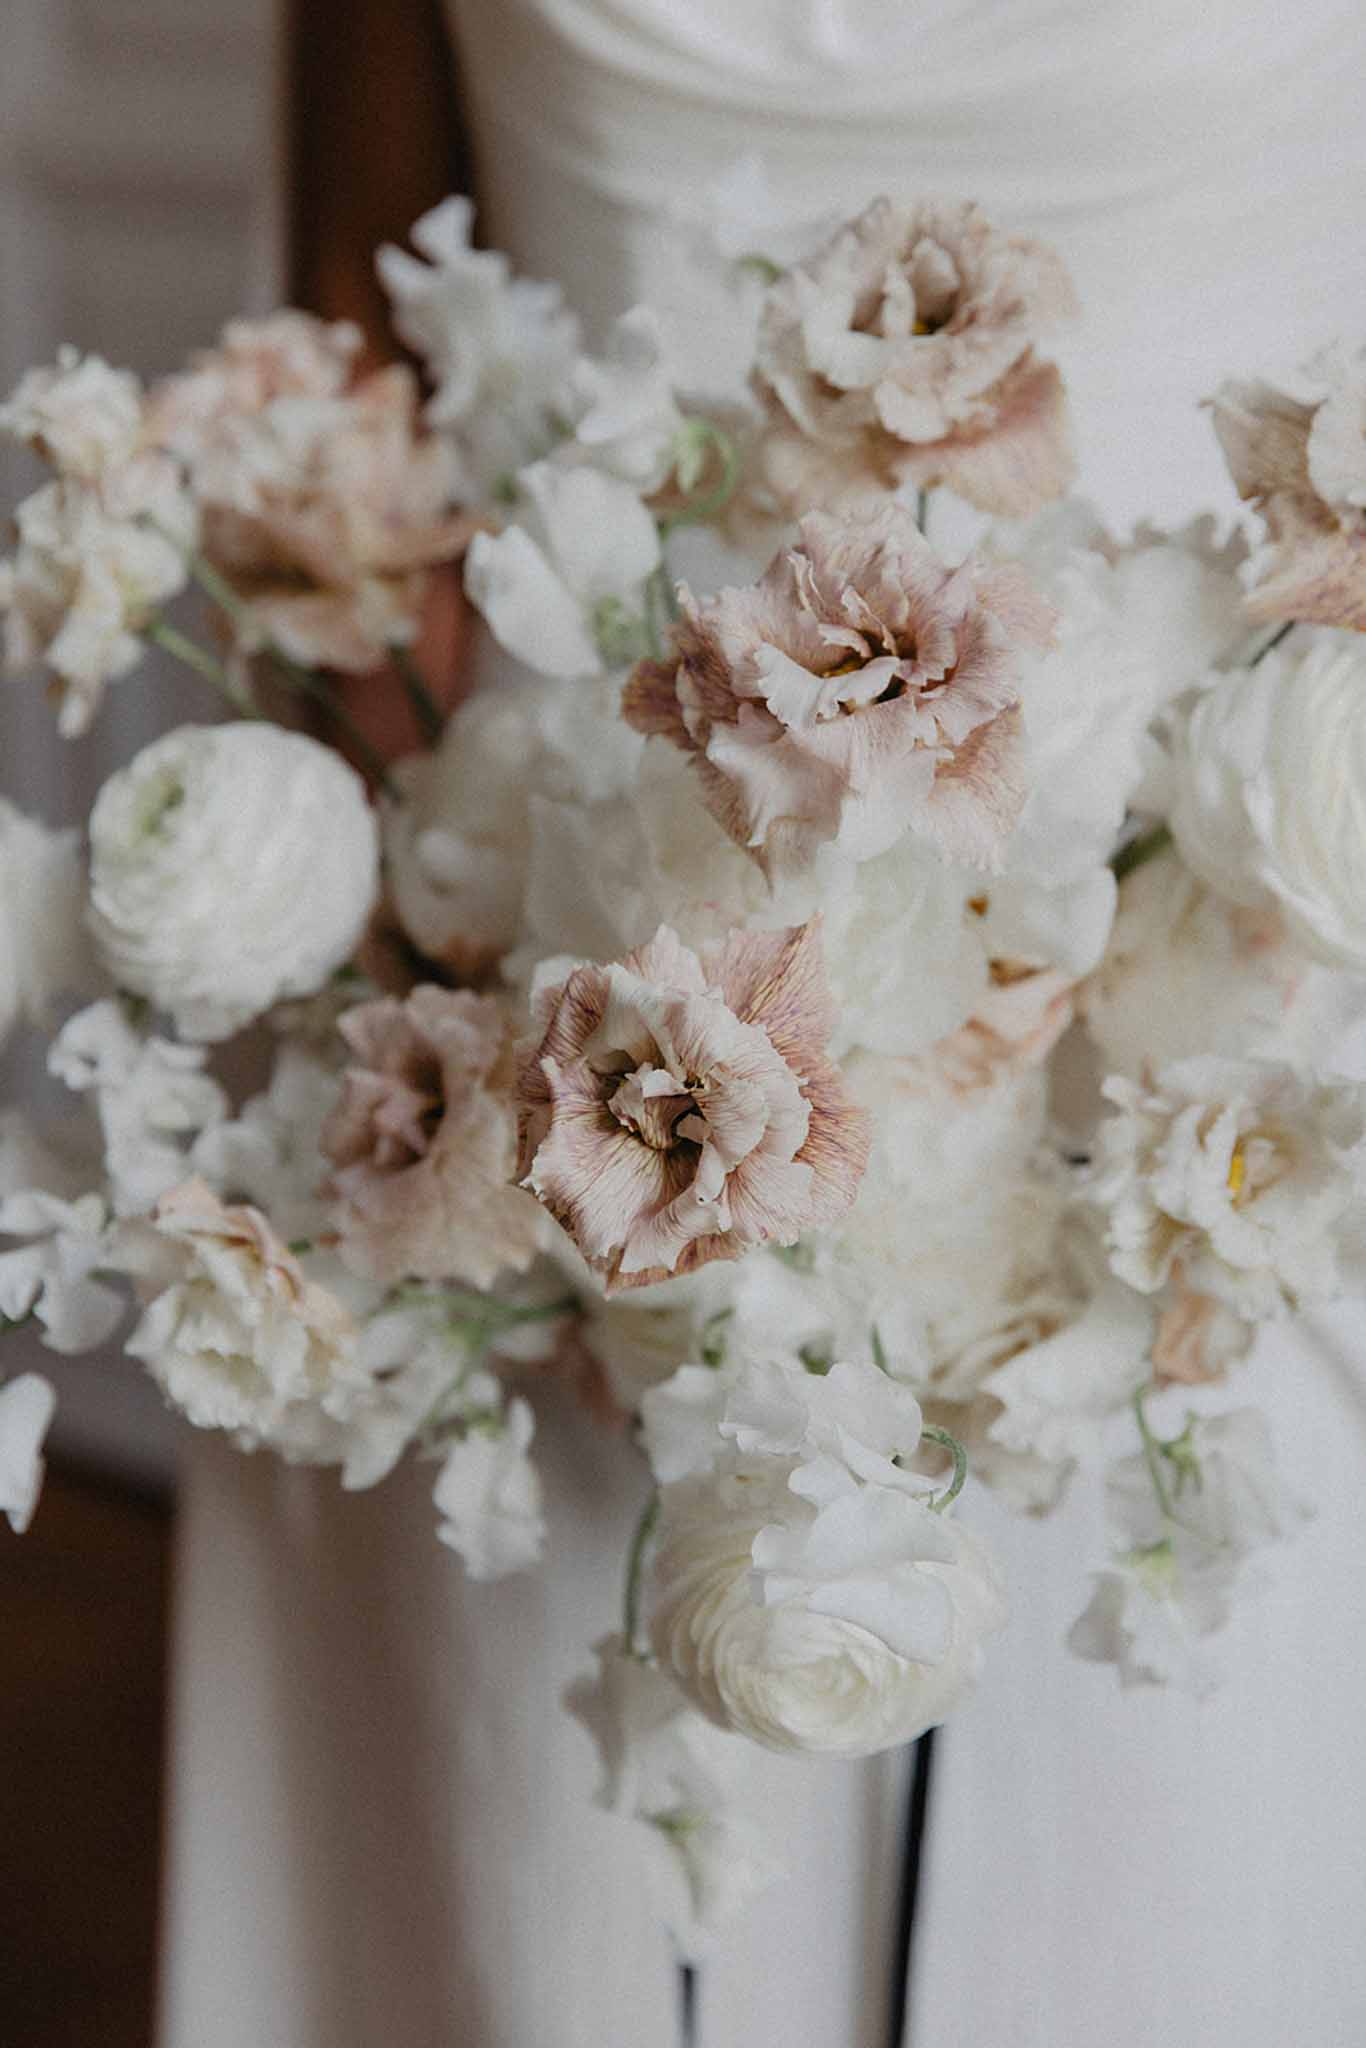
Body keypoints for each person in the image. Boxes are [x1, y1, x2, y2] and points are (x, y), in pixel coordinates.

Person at [159, 5, 1366, 2044]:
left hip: (1244, 1037)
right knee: (569, 1900)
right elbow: (356, 310)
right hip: (550, 985)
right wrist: (484, 962)